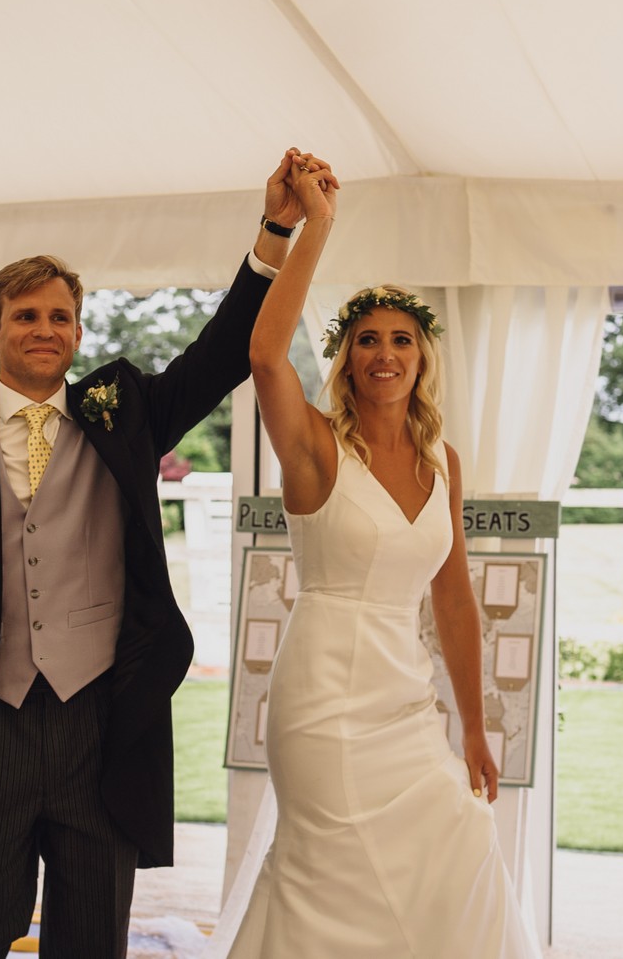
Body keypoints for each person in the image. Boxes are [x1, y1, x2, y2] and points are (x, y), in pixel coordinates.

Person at [0, 148, 319, 958]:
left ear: (78, 331)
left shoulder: (124, 410)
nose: (45, 329)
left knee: (94, 940)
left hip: (103, 725)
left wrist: (276, 229)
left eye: (61, 316)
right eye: (26, 315)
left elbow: (221, 351)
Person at [214, 154, 540, 957]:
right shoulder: (315, 446)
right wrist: (315, 225)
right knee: (327, 880)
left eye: (401, 338)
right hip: (320, 700)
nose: (384, 352)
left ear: (422, 357)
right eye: (366, 339)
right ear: (347, 358)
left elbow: (453, 598)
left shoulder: (443, 464)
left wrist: (473, 726)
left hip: (406, 703)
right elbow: (265, 356)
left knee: (461, 841)